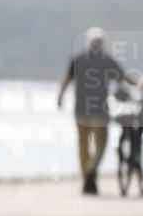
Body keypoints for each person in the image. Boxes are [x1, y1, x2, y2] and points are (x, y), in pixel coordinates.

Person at [57, 27, 141, 194]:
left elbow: (67, 79)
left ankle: (87, 178)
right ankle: (90, 175)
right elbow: (124, 77)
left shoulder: (78, 58)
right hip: (99, 112)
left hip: (80, 110)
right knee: (100, 145)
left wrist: (60, 96)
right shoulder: (106, 60)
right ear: (102, 44)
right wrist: (139, 84)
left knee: (83, 146)